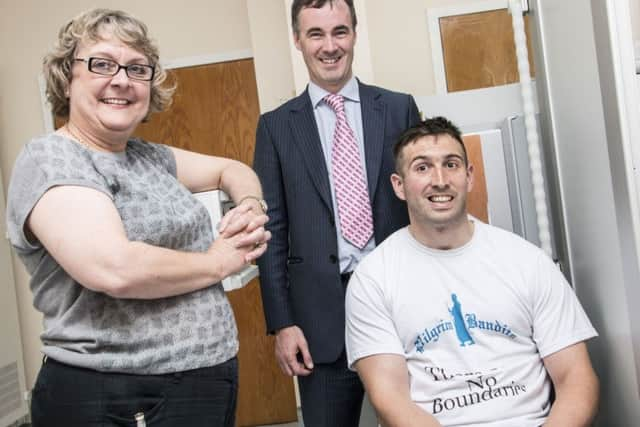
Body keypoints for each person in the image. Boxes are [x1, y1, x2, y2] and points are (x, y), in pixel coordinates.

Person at [6, 8, 270, 427]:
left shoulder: (149, 157)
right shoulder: (51, 157)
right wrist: (220, 261)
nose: (122, 79)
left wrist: (250, 206)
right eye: (101, 64)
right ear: (66, 77)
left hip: (203, 382)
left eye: (137, 68)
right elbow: (115, 268)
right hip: (118, 395)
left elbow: (231, 169)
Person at [345, 117, 599, 426]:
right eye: (422, 167)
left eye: (451, 164)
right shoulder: (374, 278)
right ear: (399, 186)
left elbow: (576, 378)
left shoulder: (526, 261)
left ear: (469, 177)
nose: (439, 180)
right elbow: (389, 398)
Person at [252, 0, 421, 425]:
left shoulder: (398, 109)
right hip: (319, 322)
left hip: (402, 306)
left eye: (339, 32)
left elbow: (421, 206)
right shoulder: (275, 127)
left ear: (354, 34)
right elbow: (271, 231)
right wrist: (282, 323)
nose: (330, 46)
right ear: (297, 40)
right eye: (316, 34)